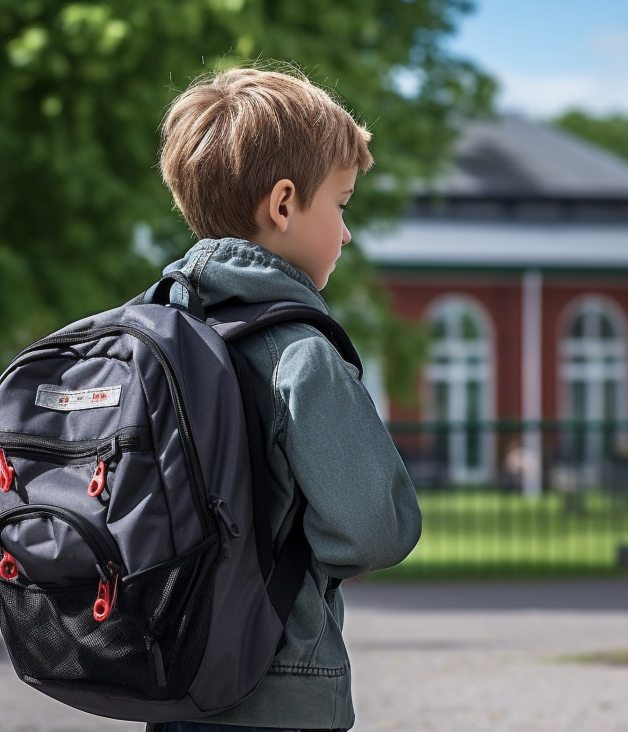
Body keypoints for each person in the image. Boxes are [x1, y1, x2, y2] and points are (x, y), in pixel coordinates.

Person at [147, 67, 422, 732]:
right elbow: (376, 529)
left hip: (168, 678)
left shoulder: (156, 334)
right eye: (343, 204)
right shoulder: (299, 353)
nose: (347, 232)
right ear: (283, 205)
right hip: (277, 691)